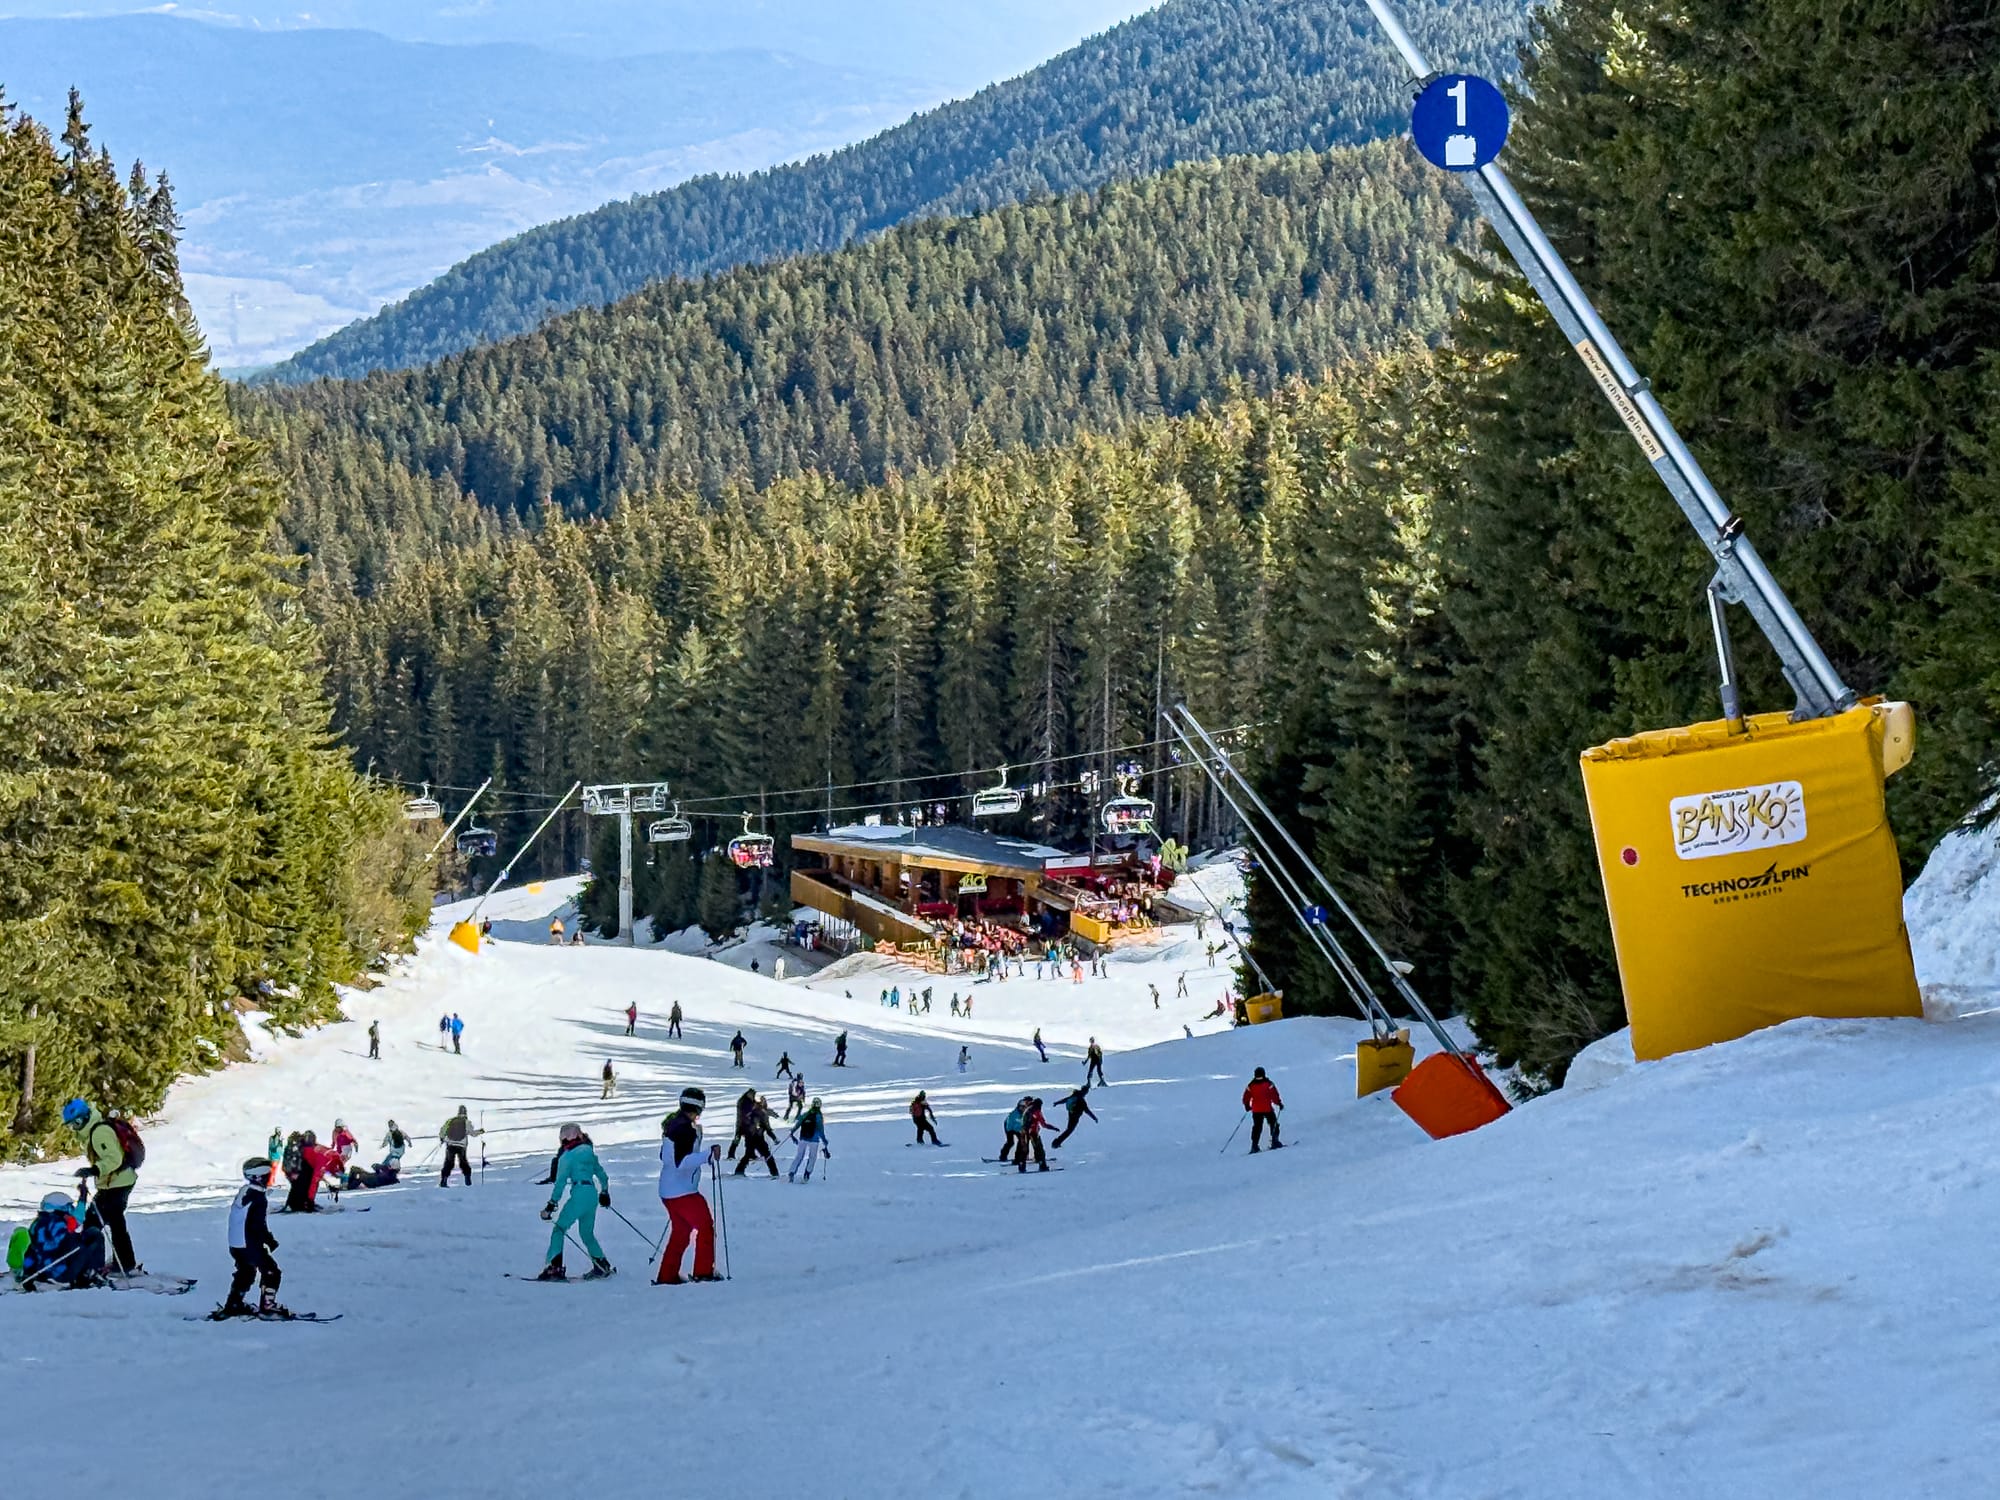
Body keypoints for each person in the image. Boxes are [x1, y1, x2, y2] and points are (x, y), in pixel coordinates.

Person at [63, 1097, 139, 1273]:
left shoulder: (99, 1132)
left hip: (118, 1183)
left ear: (83, 1118)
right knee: (98, 1221)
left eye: (76, 1123)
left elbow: (114, 1158)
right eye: (71, 1125)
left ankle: (120, 1264)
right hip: (113, 1183)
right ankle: (110, 1262)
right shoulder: (95, 1132)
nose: (74, 1128)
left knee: (110, 1221)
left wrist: (94, 1170)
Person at [656, 1089, 720, 1284]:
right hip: (683, 1191)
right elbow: (681, 1162)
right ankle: (703, 1272)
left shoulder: (673, 1125)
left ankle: (667, 1276)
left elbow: (664, 1157)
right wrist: (707, 1155)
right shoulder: (684, 1129)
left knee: (681, 1233)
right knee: (706, 1227)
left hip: (668, 1191)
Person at [538, 1123, 615, 1282]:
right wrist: (604, 1192)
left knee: (559, 1229)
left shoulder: (567, 1157)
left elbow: (559, 1183)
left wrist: (551, 1205)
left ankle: (555, 1268)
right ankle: (602, 1265)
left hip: (579, 1193)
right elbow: (602, 1175)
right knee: (587, 1234)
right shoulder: (589, 1152)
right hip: (592, 1194)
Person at [224, 1158, 285, 1315]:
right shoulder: (257, 1197)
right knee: (271, 1271)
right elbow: (257, 1224)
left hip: (236, 1243)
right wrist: (269, 1240)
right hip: (249, 1243)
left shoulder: (245, 1191)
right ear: (259, 1177)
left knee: (246, 1271)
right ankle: (268, 1307)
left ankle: (234, 1304)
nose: (269, 1179)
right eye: (268, 1175)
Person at [20, 1191, 107, 1289]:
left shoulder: (37, 1223)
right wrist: (83, 1237)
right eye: (68, 1207)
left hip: (42, 1270)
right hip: (60, 1273)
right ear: (60, 1209)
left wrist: (28, 1271)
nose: (70, 1211)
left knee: (90, 1234)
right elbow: (69, 1244)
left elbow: (35, 1250)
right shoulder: (58, 1224)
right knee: (90, 1241)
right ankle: (91, 1275)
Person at [285, 1131, 341, 1212]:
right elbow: (315, 1181)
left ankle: (296, 1203)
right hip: (301, 1164)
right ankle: (298, 1205)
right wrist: (310, 1200)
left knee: (300, 1183)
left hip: (300, 1163)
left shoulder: (331, 1155)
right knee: (304, 1183)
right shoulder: (325, 1163)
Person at [734, 1095, 779, 1178]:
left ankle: (739, 1170)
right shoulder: (759, 1113)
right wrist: (774, 1138)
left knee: (749, 1155)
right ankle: (774, 1172)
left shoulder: (754, 1112)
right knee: (765, 1155)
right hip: (756, 1138)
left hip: (752, 1138)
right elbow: (766, 1127)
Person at [786, 1097, 829, 1182]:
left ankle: (792, 1172)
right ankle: (807, 1174)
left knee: (799, 1156)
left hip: (803, 1138)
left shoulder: (806, 1114)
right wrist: (824, 1140)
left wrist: (792, 1132)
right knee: (812, 1157)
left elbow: (798, 1123)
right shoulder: (818, 1116)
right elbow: (820, 1129)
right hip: (814, 1140)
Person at [438, 1106, 482, 1186]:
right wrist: (480, 1131)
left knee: (448, 1163)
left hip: (450, 1145)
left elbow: (442, 1130)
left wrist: (442, 1138)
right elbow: (472, 1133)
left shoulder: (450, 1120)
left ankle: (444, 1180)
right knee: (463, 1162)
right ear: (465, 1113)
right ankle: (467, 1179)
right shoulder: (466, 1122)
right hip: (461, 1146)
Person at [1243, 1067, 1283, 1152]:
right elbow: (1274, 1095)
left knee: (1257, 1128)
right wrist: (1279, 1103)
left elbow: (1246, 1096)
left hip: (1256, 1110)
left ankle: (1254, 1145)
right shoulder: (1268, 1084)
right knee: (1274, 1124)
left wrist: (1247, 1105)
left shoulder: (1251, 1085)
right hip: (1267, 1108)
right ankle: (1275, 1141)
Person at [1013, 1096, 1053, 1173]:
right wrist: (1053, 1128)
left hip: (1023, 1131)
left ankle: (1021, 1166)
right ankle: (1042, 1165)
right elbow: (1043, 1124)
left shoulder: (1027, 1109)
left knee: (1024, 1150)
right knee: (1039, 1149)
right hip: (1033, 1132)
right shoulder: (1037, 1111)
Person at [726, 1087, 758, 1159]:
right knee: (738, 1139)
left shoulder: (751, 1101)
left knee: (749, 1140)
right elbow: (745, 1112)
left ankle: (751, 1154)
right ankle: (731, 1154)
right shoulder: (744, 1101)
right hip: (742, 1124)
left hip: (748, 1124)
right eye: (752, 1094)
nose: (752, 1096)